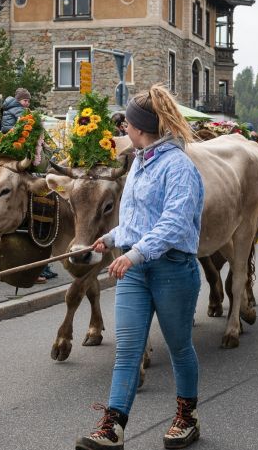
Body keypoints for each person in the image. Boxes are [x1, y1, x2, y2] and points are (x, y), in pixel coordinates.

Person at [76, 84, 204, 450]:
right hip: (134, 267)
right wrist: (113, 238)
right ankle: (113, 426)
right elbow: (137, 220)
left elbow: (174, 224)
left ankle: (187, 416)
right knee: (128, 349)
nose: (123, 130)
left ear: (141, 127)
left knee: (179, 346)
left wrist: (134, 253)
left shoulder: (179, 166)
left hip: (172, 267)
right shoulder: (139, 162)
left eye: (127, 124)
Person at [0, 88, 57, 282]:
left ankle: (42, 266)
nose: (27, 104)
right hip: (23, 160)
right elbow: (17, 132)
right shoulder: (16, 112)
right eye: (25, 101)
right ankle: (33, 269)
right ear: (19, 101)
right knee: (32, 224)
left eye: (27, 101)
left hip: (29, 164)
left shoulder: (21, 113)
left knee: (38, 223)